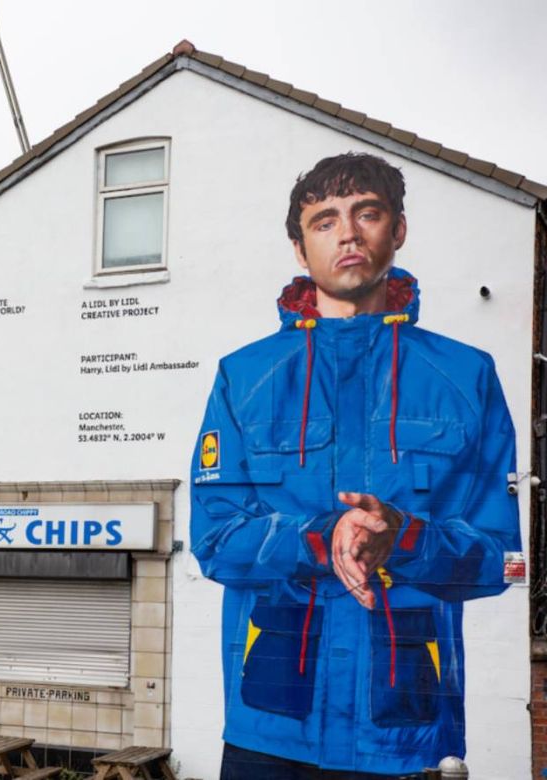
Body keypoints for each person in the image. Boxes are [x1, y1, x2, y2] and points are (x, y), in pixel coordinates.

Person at [189, 152, 521, 779]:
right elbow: (214, 539)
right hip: (271, 731)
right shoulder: (245, 376)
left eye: (366, 213)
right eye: (325, 220)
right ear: (299, 246)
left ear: (396, 230)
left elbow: (505, 558)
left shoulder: (467, 375)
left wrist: (409, 538)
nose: (347, 233)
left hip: (408, 733)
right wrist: (322, 535)